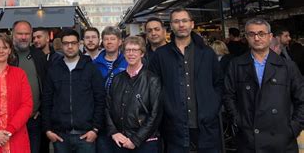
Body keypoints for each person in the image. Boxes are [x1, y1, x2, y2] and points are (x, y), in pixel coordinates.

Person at [224, 18, 304, 152]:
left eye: (261, 34)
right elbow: (228, 96)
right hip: (249, 139)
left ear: (270, 37)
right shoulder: (236, 65)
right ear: (246, 37)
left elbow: (301, 99)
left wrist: (293, 128)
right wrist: (239, 121)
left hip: (282, 140)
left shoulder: (287, 66)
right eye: (252, 34)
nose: (257, 38)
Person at [149, 8, 223, 152]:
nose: (181, 25)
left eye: (184, 21)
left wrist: (212, 107)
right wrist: (167, 109)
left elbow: (218, 82)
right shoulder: (161, 55)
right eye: (176, 21)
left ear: (192, 24)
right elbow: (153, 88)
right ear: (171, 25)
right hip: (174, 127)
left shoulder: (207, 53)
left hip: (206, 125)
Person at [42, 28, 105, 153]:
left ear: (79, 44)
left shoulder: (91, 69)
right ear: (62, 45)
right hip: (60, 136)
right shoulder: (54, 70)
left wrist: (95, 129)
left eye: (73, 43)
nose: (70, 46)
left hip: (86, 135)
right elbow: (46, 101)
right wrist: (48, 130)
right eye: (66, 43)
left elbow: (100, 99)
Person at [106, 36, 163, 152]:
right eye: (128, 50)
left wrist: (136, 140)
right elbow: (107, 107)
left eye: (135, 50)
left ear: (142, 54)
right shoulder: (117, 79)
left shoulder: (152, 80)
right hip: (120, 141)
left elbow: (156, 114)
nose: (131, 54)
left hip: (145, 143)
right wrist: (114, 132)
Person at [11, 20, 48, 153]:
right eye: (20, 33)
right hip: (10, 121)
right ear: (13, 34)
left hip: (34, 119)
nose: (24, 37)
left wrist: (41, 109)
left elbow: (46, 85)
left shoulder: (38, 56)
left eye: (27, 33)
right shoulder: (6, 55)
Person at [94, 26, 127, 90]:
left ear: (120, 42)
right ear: (102, 42)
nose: (109, 42)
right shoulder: (95, 63)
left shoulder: (127, 61)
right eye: (106, 39)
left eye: (112, 39)